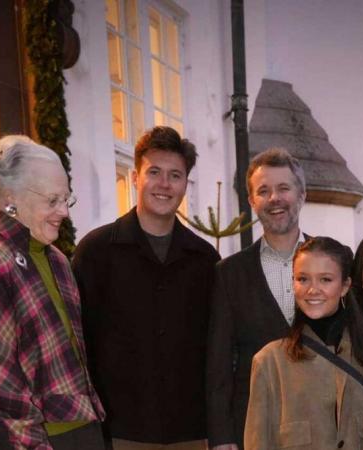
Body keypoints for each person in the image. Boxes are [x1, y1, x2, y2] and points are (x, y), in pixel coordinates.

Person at [72, 126, 219, 449]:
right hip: (119, 430)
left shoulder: (205, 260)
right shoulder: (96, 252)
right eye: (154, 172)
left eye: (175, 175)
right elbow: (77, 342)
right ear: (136, 177)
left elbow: (215, 347)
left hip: (191, 431)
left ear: (185, 184)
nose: (164, 184)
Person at [0, 135, 106, 450]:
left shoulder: (59, 261)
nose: (64, 212)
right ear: (12, 198)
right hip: (24, 440)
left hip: (80, 431)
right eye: (52, 200)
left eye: (67, 199)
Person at [244, 237, 363, 450]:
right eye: (303, 279)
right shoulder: (269, 363)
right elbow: (258, 443)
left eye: (325, 279)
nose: (313, 289)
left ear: (345, 285)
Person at [207, 148, 308, 450]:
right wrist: (222, 438)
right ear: (252, 202)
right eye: (263, 191)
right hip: (253, 425)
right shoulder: (229, 273)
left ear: (301, 195)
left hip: (321, 424)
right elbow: (219, 363)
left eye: (283, 188)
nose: (274, 198)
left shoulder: (332, 263)